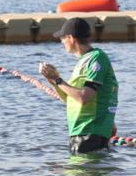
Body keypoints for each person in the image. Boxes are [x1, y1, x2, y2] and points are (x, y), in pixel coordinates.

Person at [39, 17, 119, 154]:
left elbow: (84, 98)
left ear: (71, 38)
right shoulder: (84, 61)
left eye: (62, 38)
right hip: (80, 132)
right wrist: (51, 79)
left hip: (90, 133)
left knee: (81, 174)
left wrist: (58, 80)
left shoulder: (96, 58)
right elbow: (70, 99)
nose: (62, 42)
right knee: (75, 173)